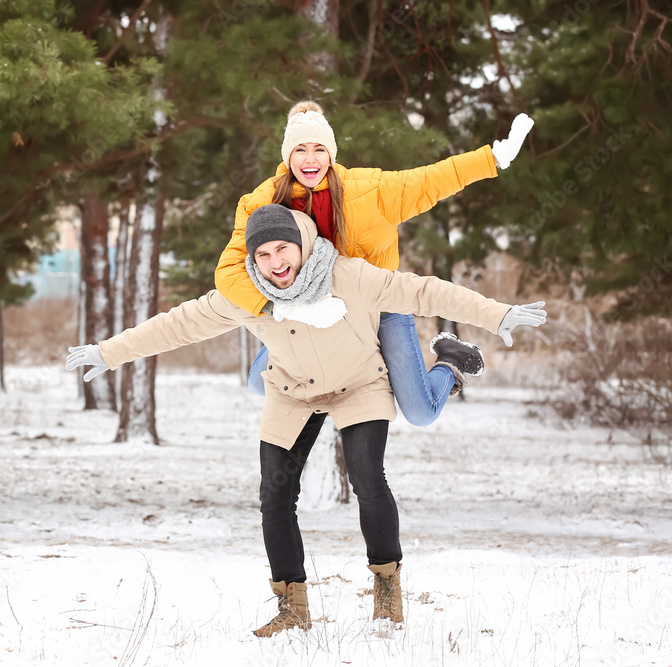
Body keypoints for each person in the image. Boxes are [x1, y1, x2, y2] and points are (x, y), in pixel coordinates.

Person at [66, 204, 546, 635]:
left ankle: (386, 593)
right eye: (263, 254)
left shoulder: (348, 275)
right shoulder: (244, 294)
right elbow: (178, 324)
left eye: (283, 248)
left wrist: (496, 313)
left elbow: (423, 291)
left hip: (359, 383)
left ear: (301, 244)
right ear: (251, 260)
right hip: (292, 390)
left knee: (366, 478)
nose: (276, 262)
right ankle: (292, 608)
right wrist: (110, 352)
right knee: (274, 494)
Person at [215, 101, 536, 420]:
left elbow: (430, 180)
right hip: (307, 312)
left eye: (319, 149)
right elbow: (229, 271)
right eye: (300, 150)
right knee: (260, 383)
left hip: (379, 307)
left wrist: (490, 159)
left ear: (331, 153)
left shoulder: (370, 190)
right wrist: (278, 308)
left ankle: (451, 360)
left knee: (421, 413)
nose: (310, 160)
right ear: (287, 156)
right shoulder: (263, 202)